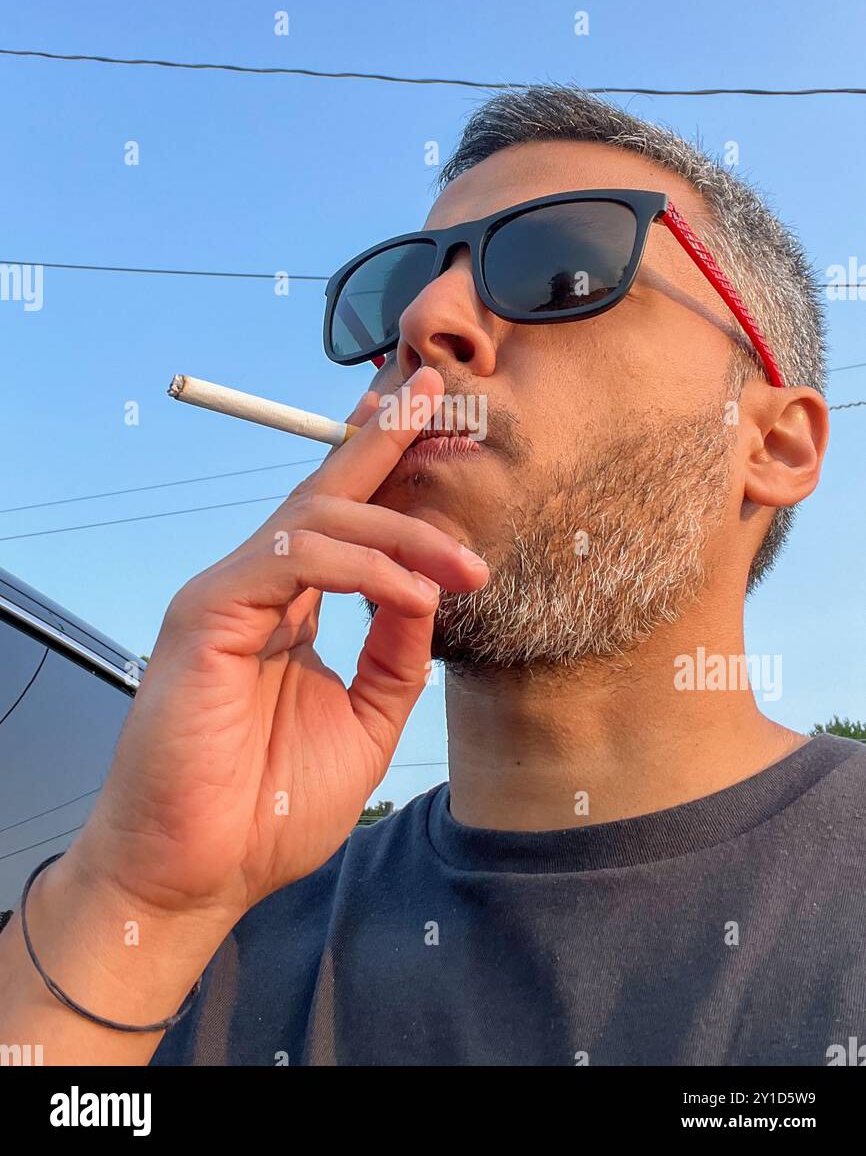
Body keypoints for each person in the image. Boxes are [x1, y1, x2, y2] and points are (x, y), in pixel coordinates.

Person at [1, 86, 862, 1067]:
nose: (422, 319)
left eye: (557, 264)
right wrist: (135, 899)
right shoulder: (205, 946)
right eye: (398, 289)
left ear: (773, 445)